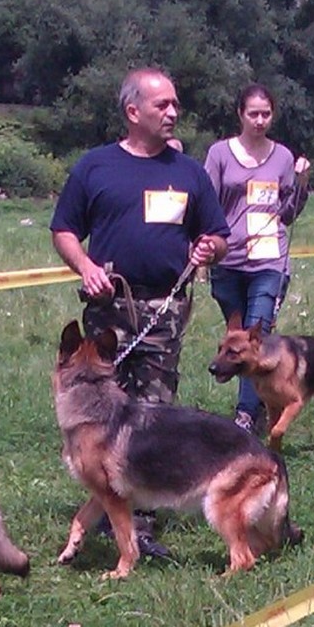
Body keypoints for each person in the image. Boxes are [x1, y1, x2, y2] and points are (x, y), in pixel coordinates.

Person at [50, 67, 229, 557]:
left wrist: (209, 249)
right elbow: (64, 229)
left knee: (150, 415)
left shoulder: (188, 171)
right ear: (133, 112)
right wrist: (84, 265)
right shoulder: (95, 167)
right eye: (162, 105)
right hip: (108, 307)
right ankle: (105, 502)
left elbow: (217, 235)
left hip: (162, 310)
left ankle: (140, 524)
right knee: (97, 414)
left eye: (175, 104)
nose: (173, 113)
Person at [204, 84, 311, 433]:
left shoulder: (282, 157)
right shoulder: (220, 153)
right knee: (236, 338)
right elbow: (207, 204)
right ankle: (263, 402)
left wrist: (302, 183)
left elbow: (288, 213)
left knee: (256, 335)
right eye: (254, 113)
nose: (260, 120)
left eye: (266, 113)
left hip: (269, 260)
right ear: (240, 114)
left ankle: (246, 415)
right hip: (229, 259)